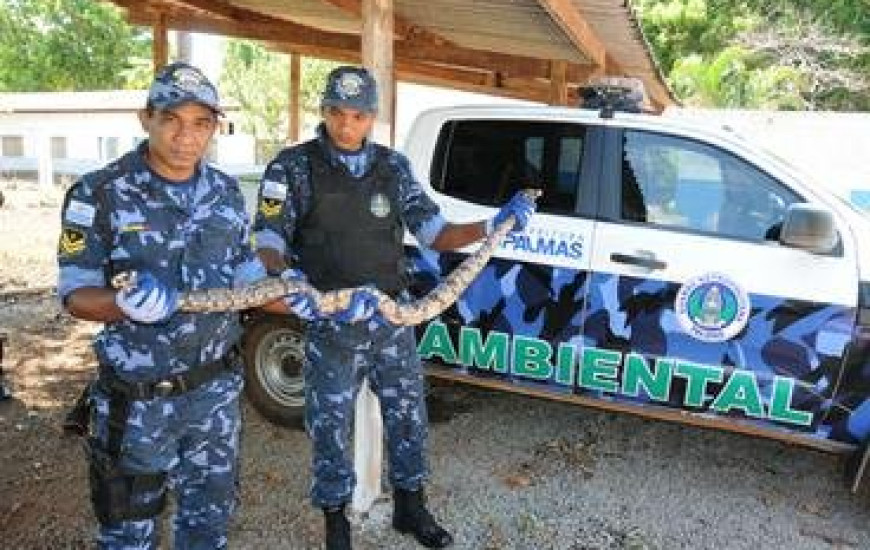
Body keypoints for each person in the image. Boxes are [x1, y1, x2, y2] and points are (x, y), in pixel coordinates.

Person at [253, 65, 537, 550]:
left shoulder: (392, 167)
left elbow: (435, 232)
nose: (347, 125)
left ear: (372, 118)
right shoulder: (292, 167)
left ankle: (410, 506)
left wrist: (492, 224)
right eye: (337, 113)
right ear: (323, 112)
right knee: (328, 424)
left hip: (389, 317)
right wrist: (286, 275)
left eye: (358, 116)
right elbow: (268, 237)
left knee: (408, 414)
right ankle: (335, 521)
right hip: (330, 321)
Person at [56, 62, 285, 549]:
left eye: (201, 123)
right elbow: (75, 295)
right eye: (172, 120)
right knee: (126, 536)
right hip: (138, 403)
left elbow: (247, 278)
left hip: (215, 398)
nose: (187, 137)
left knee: (207, 530)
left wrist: (311, 301)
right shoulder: (99, 193)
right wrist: (122, 303)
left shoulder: (224, 192)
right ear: (147, 118)